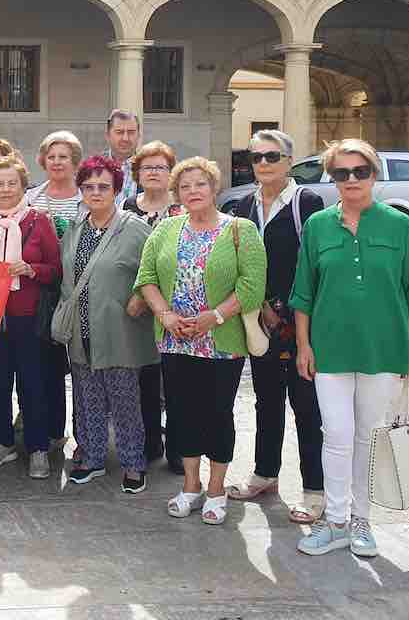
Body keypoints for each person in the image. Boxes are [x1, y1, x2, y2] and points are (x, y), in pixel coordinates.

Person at [293, 139, 409, 559]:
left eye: (360, 171)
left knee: (367, 437)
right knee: (336, 435)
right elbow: (304, 294)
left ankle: (361, 521)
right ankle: (334, 521)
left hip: (384, 349)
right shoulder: (317, 226)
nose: (351, 180)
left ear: (374, 175)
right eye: (341, 173)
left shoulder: (399, 225)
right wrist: (303, 346)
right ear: (331, 178)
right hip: (330, 349)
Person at [135, 156, 266, 525]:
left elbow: (252, 284)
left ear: (214, 188)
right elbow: (146, 278)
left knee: (218, 414)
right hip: (176, 340)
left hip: (220, 342)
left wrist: (215, 316)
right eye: (185, 186)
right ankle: (190, 486)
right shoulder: (166, 229)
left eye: (200, 184)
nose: (193, 191)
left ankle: (216, 488)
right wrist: (166, 316)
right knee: (181, 414)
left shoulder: (240, 230)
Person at [227, 130, 327, 524]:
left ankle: (315, 490)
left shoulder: (307, 202)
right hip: (258, 321)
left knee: (307, 407)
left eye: (272, 157)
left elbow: (311, 265)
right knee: (266, 401)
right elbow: (239, 263)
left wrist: (283, 308)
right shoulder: (242, 207)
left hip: (299, 322)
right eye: (256, 158)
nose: (264, 164)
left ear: (289, 160)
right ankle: (265, 473)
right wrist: (260, 306)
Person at [60, 155, 155, 493]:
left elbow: (155, 270)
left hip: (119, 329)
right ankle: (91, 456)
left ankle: (133, 463)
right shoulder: (75, 228)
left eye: (104, 186)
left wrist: (141, 297)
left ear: (116, 189)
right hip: (81, 329)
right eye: (88, 186)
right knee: (86, 398)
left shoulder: (135, 228)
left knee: (125, 399)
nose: (96, 192)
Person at [0, 154, 62, 479]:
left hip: (29, 317)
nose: (6, 189)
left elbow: (56, 271)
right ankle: (0, 441)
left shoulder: (38, 221)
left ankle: (37, 448)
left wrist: (32, 270)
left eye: (12, 183)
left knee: (32, 384)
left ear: (23, 186)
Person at [24, 130, 85, 447]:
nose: (58, 162)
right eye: (52, 156)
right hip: (45, 292)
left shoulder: (86, 197)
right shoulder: (31, 198)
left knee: (81, 366)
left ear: (74, 161)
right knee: (47, 364)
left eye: (64, 156)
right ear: (43, 161)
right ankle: (52, 430)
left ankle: (85, 434)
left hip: (81, 291)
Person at [122, 138, 179, 471]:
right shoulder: (129, 206)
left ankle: (179, 448)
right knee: (144, 379)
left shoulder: (181, 207)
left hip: (176, 305)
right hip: (136, 307)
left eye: (161, 167)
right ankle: (148, 444)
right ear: (137, 173)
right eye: (148, 168)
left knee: (175, 381)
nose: (154, 173)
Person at [104, 110, 142, 205]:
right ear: (108, 135)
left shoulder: (148, 167)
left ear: (139, 136)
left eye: (131, 132)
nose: (125, 138)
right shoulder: (93, 167)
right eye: (119, 132)